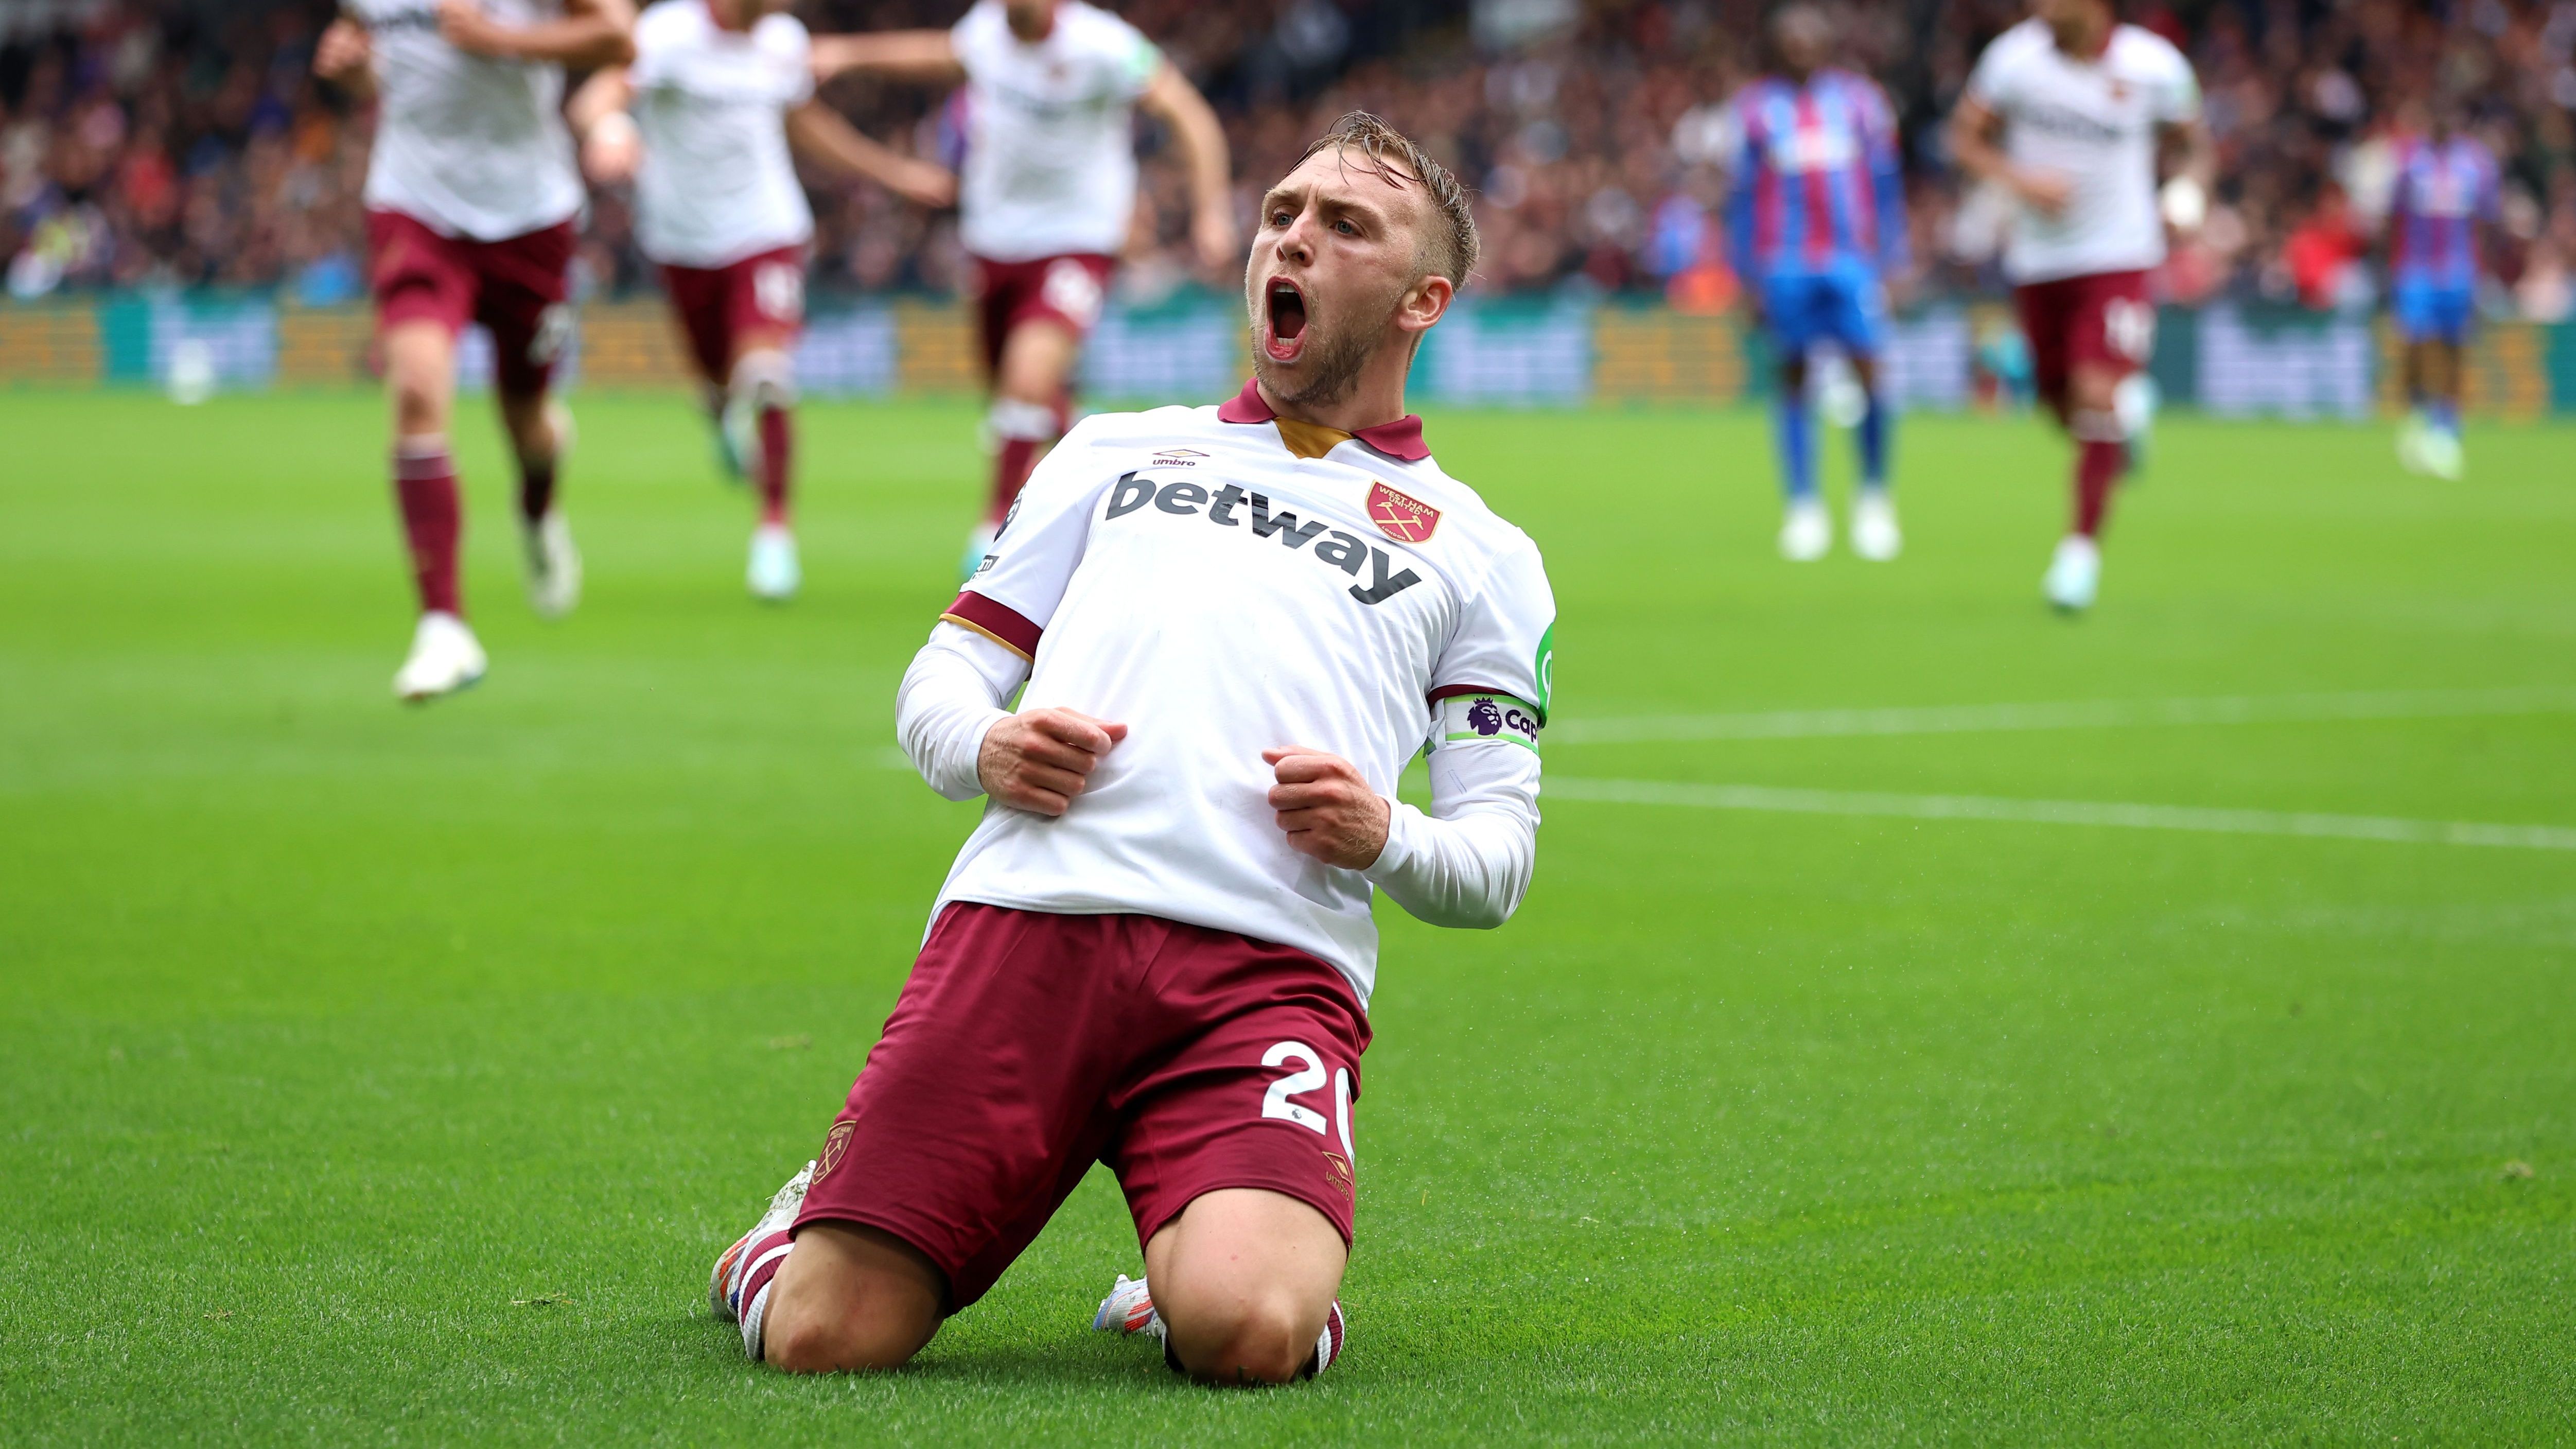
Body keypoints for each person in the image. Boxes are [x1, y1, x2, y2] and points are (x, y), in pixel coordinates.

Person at [705, 112, 1554, 1385]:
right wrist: (986, 745)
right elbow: (943, 677)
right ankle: (786, 1237)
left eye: (1345, 226)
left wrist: (1390, 834)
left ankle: (1201, 1272)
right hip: (1027, 927)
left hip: (1265, 974)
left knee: (1250, 1332)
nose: (1296, 238)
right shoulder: (1110, 450)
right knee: (823, 1340)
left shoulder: (1481, 550)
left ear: (1422, 298)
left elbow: (1496, 858)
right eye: (1283, 215)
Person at [809, 0, 1236, 577]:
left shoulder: (1103, 45)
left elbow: (1189, 114)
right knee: (1012, 393)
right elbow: (938, 55)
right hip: (994, 239)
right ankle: (1080, 430)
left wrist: (1211, 209)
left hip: (1077, 239)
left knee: (1025, 380)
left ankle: (992, 532)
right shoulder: (986, 30)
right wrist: (848, 55)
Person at [568, 0, 955, 602]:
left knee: (768, 373)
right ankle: (721, 413)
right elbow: (597, 97)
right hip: (683, 239)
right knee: (718, 382)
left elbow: (805, 124)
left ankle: (774, 533)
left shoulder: (782, 40)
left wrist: (893, 173)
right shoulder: (667, 34)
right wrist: (609, 129)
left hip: (766, 230)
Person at [315, 0, 637, 700]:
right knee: (416, 390)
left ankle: (538, 508)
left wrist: (498, 36)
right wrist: (355, 68)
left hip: (530, 216)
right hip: (414, 204)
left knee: (527, 420)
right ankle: (443, 625)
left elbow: (617, 34)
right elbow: (390, 68)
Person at [1948, 0, 2211, 613]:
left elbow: (2196, 144)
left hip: (2119, 255)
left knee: (2094, 393)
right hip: (2038, 260)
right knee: (2057, 404)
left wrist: (2188, 190)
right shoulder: (2012, 59)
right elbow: (1965, 138)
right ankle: (2127, 423)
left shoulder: (2153, 66)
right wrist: (2020, 180)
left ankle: (2078, 556)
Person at [1720, 4, 1910, 563]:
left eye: (1809, 39)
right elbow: (1741, 199)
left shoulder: (1859, 102)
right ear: (1777, 48)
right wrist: (1746, 275)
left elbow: (1885, 186)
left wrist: (1893, 261)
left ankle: (1874, 499)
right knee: (1793, 379)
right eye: (1790, 40)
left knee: (1872, 372)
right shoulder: (1755, 110)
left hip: (1851, 262)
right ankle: (1804, 507)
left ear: (1826, 44)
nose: (1800, 48)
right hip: (1785, 264)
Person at [2384, 97, 2498, 482]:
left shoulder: (2477, 165)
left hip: (2458, 270)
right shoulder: (2410, 164)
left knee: (2454, 348)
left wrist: (2483, 270)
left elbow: (2486, 220)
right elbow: (2393, 216)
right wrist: (2389, 267)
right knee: (2414, 343)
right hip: (2416, 270)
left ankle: (2446, 427)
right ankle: (2418, 414)